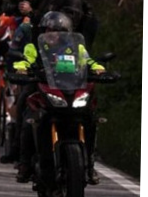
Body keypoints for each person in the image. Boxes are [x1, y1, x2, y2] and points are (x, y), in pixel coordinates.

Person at [11, 11, 105, 185]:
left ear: (67, 33)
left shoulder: (76, 48)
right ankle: (24, 164)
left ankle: (90, 165)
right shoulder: (34, 47)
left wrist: (97, 68)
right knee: (29, 118)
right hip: (44, 87)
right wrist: (21, 67)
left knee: (91, 119)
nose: (53, 34)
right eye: (49, 30)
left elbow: (88, 61)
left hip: (71, 89)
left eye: (58, 31)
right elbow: (26, 59)